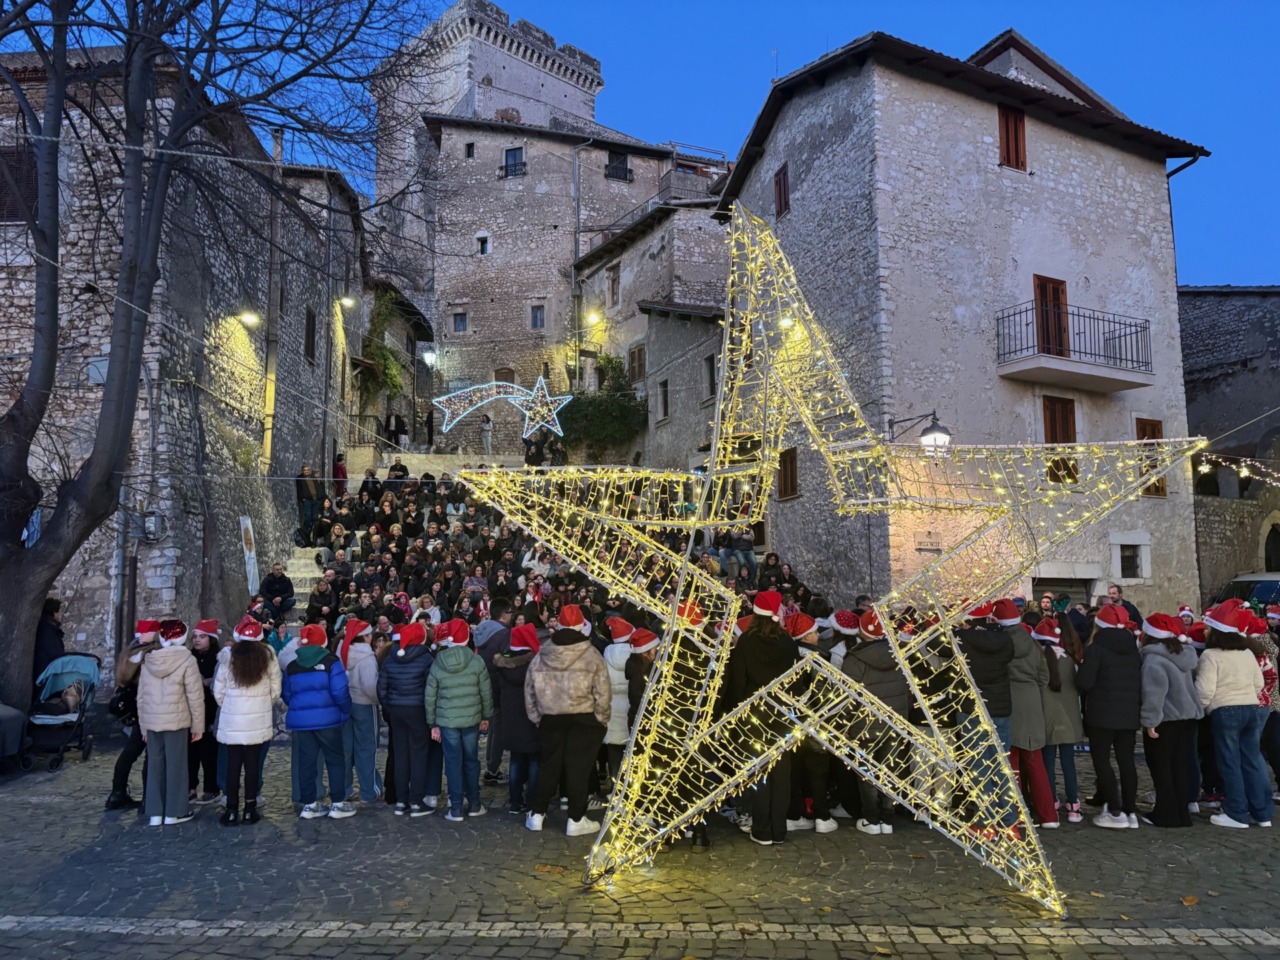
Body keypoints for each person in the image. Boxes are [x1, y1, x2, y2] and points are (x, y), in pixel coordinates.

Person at [524, 604, 611, 837]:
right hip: (584, 719)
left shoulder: (543, 653)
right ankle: (575, 818)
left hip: (551, 718)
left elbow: (529, 688)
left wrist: (536, 717)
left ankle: (537, 814)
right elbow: (603, 691)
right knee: (579, 768)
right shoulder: (592, 654)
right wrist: (602, 718)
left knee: (548, 766)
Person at [725, 590, 796, 846]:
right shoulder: (788, 642)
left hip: (753, 716)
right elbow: (795, 681)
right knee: (781, 774)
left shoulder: (746, 642)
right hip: (782, 714)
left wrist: (732, 712)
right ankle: (779, 830)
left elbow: (737, 681)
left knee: (759, 774)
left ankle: (762, 829)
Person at [1197, 601, 1270, 829]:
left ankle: (1236, 812)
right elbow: (1259, 682)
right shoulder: (1247, 653)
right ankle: (1262, 812)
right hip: (1250, 707)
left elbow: (1204, 690)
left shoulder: (1210, 655)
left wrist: (1202, 709)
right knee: (1252, 760)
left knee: (1229, 763)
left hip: (1225, 711)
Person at [842, 608, 908, 836]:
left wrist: (846, 725)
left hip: (865, 724)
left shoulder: (855, 658)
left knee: (867, 773)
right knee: (889, 770)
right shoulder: (898, 653)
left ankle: (871, 818)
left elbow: (847, 696)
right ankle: (887, 819)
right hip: (895, 722)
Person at [1075, 604, 1142, 829]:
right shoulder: (1133, 648)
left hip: (1101, 715)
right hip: (1129, 713)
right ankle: (1130, 811)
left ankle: (1114, 810)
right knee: (1127, 761)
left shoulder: (1096, 649)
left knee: (1102, 761)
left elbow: (1084, 682)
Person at [955, 600, 1017, 835]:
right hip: (1001, 707)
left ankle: (984, 821)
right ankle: (1010, 820)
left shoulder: (960, 639)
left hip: (973, 708)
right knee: (1002, 765)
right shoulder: (1004, 639)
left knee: (979, 765)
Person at [282, 623, 355, 821]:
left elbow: (287, 694)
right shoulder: (332, 662)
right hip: (329, 720)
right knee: (335, 760)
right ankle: (338, 803)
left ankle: (309, 805)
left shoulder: (292, 666)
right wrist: (345, 709)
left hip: (302, 722)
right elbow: (340, 691)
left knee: (306, 762)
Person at [213, 616, 281, 826]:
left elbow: (219, 690)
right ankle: (250, 809)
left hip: (233, 719)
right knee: (252, 765)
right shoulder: (268, 656)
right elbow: (275, 689)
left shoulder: (229, 656)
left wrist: (230, 706)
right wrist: (262, 705)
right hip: (257, 718)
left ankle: (232, 809)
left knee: (233, 764)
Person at [137, 619, 205, 827]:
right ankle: (175, 812)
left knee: (155, 766)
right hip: (176, 720)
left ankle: (156, 813)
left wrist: (143, 725)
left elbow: (141, 697)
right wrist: (198, 726)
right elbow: (195, 695)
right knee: (176, 766)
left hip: (153, 721)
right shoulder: (187, 660)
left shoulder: (148, 660)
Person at [425, 618, 494, 822]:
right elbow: (486, 692)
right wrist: (486, 716)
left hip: (447, 721)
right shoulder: (477, 660)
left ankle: (455, 807)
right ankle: (474, 803)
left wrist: (432, 723)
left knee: (453, 762)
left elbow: (430, 695)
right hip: (471, 720)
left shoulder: (438, 661)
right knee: (471, 760)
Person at [1139, 613, 1202, 828]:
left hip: (1166, 720)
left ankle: (1166, 814)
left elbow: (1154, 694)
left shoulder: (1153, 660)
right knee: (1181, 767)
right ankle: (1182, 813)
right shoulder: (1183, 654)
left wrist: (1150, 722)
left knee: (1162, 768)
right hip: (1187, 718)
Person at [377, 621, 436, 817]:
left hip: (397, 710)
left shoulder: (390, 658)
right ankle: (417, 801)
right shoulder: (426, 658)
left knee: (401, 755)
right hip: (418, 710)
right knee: (418, 755)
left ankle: (401, 801)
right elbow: (430, 689)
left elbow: (381, 688)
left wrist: (389, 707)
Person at [1007, 609, 1059, 829]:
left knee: (1011, 762)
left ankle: (1015, 814)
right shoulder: (1034, 645)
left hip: (1008, 701)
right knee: (1035, 760)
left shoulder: (1000, 642)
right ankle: (1049, 816)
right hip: (1031, 702)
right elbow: (1044, 677)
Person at [104, 620, 159, 811]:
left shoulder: (129, 653)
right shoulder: (149, 653)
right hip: (146, 706)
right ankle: (148, 798)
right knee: (150, 753)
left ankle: (117, 793)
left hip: (132, 706)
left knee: (130, 751)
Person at [1036, 615, 1085, 824]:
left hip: (1047, 719)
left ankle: (1052, 802)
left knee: (1048, 765)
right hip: (1070, 720)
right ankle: (1073, 805)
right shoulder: (1070, 662)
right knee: (1068, 764)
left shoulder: (1038, 662)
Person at [493, 624, 541, 812]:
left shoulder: (502, 665)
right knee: (535, 760)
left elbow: (497, 692)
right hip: (531, 718)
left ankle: (515, 801)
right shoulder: (535, 664)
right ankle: (533, 801)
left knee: (515, 760)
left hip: (511, 719)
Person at [340, 618, 383, 804]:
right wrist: (379, 701)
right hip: (364, 705)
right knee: (366, 748)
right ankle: (369, 790)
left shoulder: (342, 650)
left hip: (345, 704)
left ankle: (345, 789)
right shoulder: (367, 657)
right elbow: (370, 687)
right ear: (365, 637)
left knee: (346, 749)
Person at [187, 620, 222, 805]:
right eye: (195, 637)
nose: (197, 640)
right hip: (191, 711)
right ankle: (191, 787)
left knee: (209, 752)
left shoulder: (217, 657)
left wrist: (208, 682)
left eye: (202, 636)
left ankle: (211, 788)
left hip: (209, 709)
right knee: (191, 752)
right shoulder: (189, 657)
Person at [601, 618, 635, 788]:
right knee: (632, 751)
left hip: (612, 706)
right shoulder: (636, 653)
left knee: (614, 750)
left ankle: (615, 785)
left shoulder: (606, 654)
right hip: (632, 705)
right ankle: (631, 787)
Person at [33, 598, 66, 686]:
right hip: (46, 675)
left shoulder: (44, 626)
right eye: (59, 611)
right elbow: (54, 654)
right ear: (54, 612)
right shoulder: (48, 630)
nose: (60, 615)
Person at [295, 465, 322, 544]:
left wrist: (319, 497)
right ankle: (305, 531)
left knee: (314, 517)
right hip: (307, 500)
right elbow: (299, 489)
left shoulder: (313, 478)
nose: (307, 471)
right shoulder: (300, 478)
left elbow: (318, 487)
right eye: (305, 470)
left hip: (315, 500)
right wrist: (302, 498)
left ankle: (312, 532)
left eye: (308, 470)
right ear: (302, 471)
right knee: (308, 516)